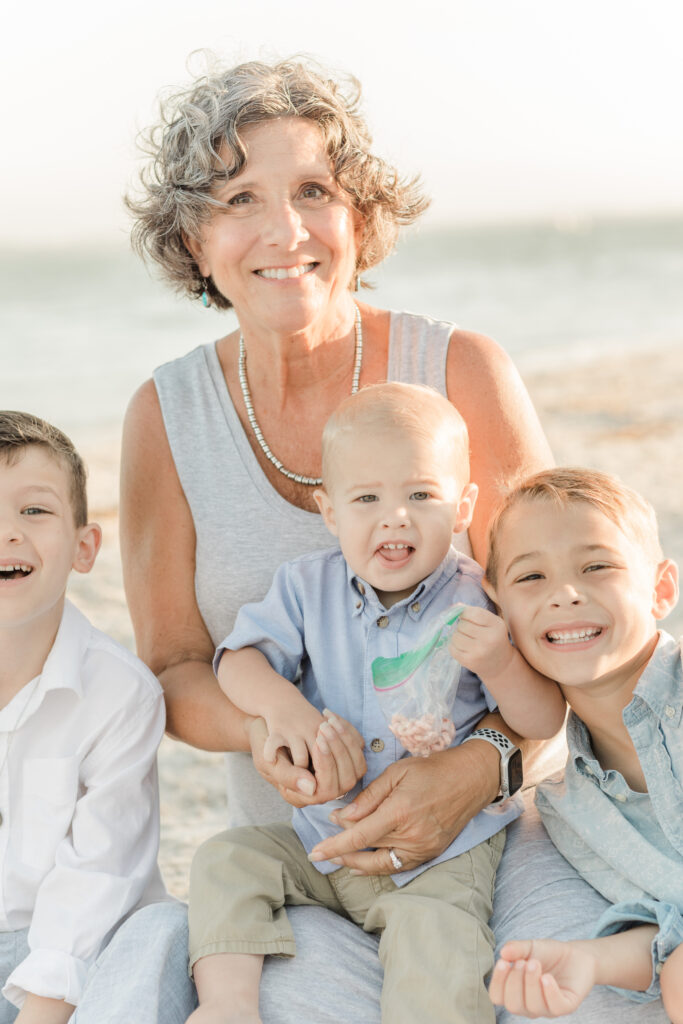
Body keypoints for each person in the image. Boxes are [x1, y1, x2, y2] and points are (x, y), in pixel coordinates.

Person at [118, 55, 668, 1023]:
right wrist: (271, 726)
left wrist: (470, 770)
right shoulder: (166, 417)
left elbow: (555, 619)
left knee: (565, 1003)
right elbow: (173, 668)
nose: (284, 230)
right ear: (194, 242)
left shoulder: (460, 371)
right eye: (239, 197)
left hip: (500, 829)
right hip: (317, 844)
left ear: (360, 219)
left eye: (313, 191)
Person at [187, 382, 563, 1024]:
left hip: (441, 858)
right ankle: (226, 1006)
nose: (396, 517)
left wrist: (501, 663)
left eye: (421, 494)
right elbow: (238, 660)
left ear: (465, 505)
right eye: (367, 499)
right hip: (320, 840)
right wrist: (283, 710)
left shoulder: (479, 599)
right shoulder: (307, 587)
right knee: (226, 860)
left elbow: (544, 720)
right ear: (329, 511)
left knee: (441, 945)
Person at [474, 468, 681, 1021]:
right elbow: (669, 926)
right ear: (501, 612)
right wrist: (588, 960)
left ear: (661, 588)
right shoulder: (569, 808)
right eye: (531, 577)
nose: (565, 595)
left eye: (597, 567)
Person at [0, 412, 169, 1024]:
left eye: (34, 511)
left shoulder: (122, 695)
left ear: (84, 547)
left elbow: (96, 878)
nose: (8, 534)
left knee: (164, 930)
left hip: (81, 954)